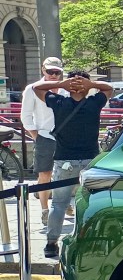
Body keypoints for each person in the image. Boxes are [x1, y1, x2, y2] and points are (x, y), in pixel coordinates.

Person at [33, 70, 113, 259]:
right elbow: (109, 89)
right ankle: (90, 242)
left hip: (64, 161)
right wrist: (91, 84)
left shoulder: (58, 102)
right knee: (91, 203)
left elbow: (37, 88)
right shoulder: (94, 103)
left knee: (59, 204)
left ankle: (51, 243)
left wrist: (61, 84)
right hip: (90, 161)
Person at [20, 57, 67, 226]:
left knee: (66, 172)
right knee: (45, 173)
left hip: (65, 137)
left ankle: (64, 203)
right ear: (43, 70)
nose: (53, 75)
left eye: (57, 72)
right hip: (44, 135)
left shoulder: (65, 89)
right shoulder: (32, 89)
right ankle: (45, 210)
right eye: (50, 71)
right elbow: (25, 115)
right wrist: (36, 136)